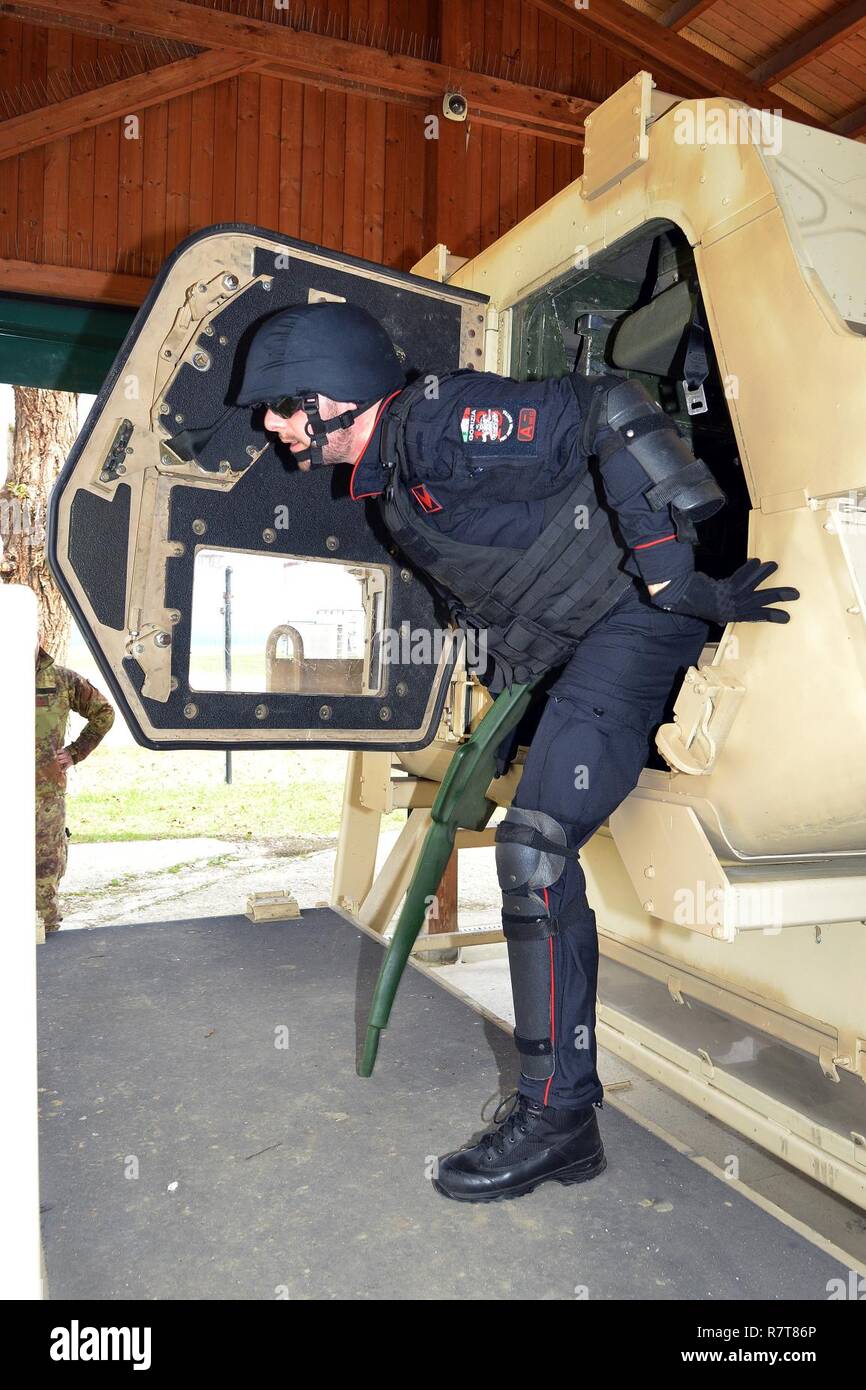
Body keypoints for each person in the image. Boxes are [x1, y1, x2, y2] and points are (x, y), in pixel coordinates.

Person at [234, 302, 799, 1203]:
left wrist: (676, 576)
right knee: (531, 845)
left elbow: (607, 407)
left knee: (532, 851)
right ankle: (560, 1115)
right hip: (578, 646)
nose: (271, 426)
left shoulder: (438, 424)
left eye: (280, 406)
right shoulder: (394, 477)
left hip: (633, 619)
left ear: (333, 395)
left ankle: (559, 1118)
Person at [35, 643, 114, 935]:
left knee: (45, 864)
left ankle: (47, 929)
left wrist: (77, 751)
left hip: (44, 794)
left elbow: (104, 712)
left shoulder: (62, 680)